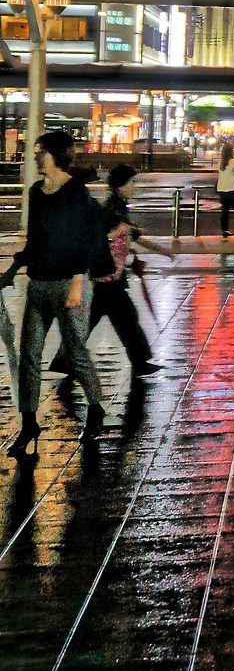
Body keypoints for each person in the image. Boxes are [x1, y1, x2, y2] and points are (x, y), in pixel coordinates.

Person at [1, 129, 111, 457]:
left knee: (75, 352)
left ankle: (95, 409)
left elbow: (86, 238)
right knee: (28, 357)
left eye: (40, 152)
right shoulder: (37, 191)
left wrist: (78, 281)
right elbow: (36, 239)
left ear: (55, 155)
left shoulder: (76, 192)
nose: (35, 157)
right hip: (38, 284)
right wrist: (11, 270)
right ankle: (29, 423)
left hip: (69, 285)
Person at [87, 163, 169, 378]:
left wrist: (158, 250)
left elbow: (126, 238)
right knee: (127, 320)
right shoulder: (112, 208)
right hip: (109, 276)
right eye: (133, 182)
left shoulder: (118, 205)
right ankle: (141, 362)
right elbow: (109, 237)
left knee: (98, 320)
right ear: (122, 185)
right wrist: (128, 233)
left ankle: (66, 359)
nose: (135, 186)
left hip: (111, 275)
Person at [215, 141, 234, 238]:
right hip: (233, 189)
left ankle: (224, 230)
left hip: (222, 190)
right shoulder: (233, 162)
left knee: (225, 210)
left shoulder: (220, 163)